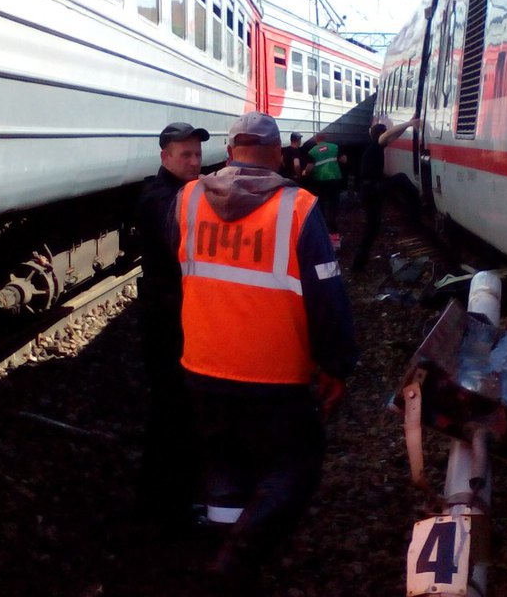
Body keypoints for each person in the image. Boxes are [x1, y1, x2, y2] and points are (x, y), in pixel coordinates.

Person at [174, 111, 357, 592]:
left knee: (224, 460)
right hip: (274, 376)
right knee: (293, 464)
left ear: (230, 152)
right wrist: (337, 365)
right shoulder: (298, 208)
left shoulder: (189, 199)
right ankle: (237, 559)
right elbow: (326, 294)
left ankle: (227, 543)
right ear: (279, 156)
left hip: (203, 366)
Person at [133, 121, 209, 530]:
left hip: (175, 315)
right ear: (165, 157)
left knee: (177, 412)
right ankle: (167, 510)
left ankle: (168, 503)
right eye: (186, 155)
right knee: (173, 413)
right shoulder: (160, 197)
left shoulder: (178, 191)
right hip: (167, 322)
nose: (195, 162)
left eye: (197, 154)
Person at [352, 118, 421, 271]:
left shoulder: (376, 147)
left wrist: (408, 123)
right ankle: (416, 211)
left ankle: (358, 264)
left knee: (373, 227)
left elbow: (393, 136)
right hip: (372, 189)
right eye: (384, 134)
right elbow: (388, 135)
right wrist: (409, 124)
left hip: (369, 191)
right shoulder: (375, 145)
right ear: (380, 134)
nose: (388, 137)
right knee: (401, 179)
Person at [303, 131, 345, 233]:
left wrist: (305, 172)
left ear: (316, 139)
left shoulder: (312, 151)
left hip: (320, 180)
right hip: (334, 178)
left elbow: (309, 167)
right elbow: (344, 160)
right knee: (334, 201)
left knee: (321, 202)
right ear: (325, 138)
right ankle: (332, 223)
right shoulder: (334, 147)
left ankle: (323, 224)